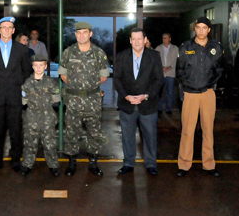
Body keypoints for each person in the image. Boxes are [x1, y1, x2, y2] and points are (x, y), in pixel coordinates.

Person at [58, 21, 110, 176]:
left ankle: (93, 163)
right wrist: (76, 87)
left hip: (93, 100)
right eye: (78, 33)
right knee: (72, 132)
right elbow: (62, 73)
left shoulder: (98, 53)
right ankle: (72, 162)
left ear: (90, 34)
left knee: (94, 132)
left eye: (84, 32)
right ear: (75, 34)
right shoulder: (68, 52)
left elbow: (104, 74)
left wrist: (89, 87)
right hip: (73, 100)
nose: (81, 35)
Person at [0, 16, 33, 172]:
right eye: (3, 27)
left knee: (15, 129)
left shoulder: (21, 49)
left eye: (9, 27)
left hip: (14, 94)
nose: (6, 30)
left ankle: (16, 161)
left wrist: (15, 82)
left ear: (13, 30)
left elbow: (27, 70)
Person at [176, 17, 224, 177]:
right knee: (187, 131)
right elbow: (179, 70)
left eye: (204, 27)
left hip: (208, 94)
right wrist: (187, 84)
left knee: (208, 130)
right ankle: (184, 164)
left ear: (209, 30)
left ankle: (209, 165)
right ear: (194, 29)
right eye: (198, 27)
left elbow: (221, 69)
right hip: (190, 94)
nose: (201, 30)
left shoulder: (216, 47)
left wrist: (210, 84)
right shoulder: (185, 47)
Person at [114, 28, 164, 176]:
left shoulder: (154, 56)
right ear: (130, 40)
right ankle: (128, 163)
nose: (136, 41)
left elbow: (159, 79)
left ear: (145, 40)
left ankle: (151, 164)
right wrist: (125, 96)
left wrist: (146, 95)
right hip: (127, 104)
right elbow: (116, 79)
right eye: (133, 39)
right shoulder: (122, 56)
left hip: (148, 104)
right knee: (127, 136)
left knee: (150, 136)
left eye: (139, 39)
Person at [20, 54, 61, 177]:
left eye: (41, 65)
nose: (38, 68)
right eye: (36, 65)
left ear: (45, 66)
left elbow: (56, 99)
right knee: (30, 143)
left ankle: (53, 165)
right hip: (31, 117)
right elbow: (24, 100)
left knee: (50, 144)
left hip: (47, 117)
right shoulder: (27, 83)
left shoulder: (51, 82)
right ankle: (27, 165)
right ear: (32, 66)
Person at [155, 32, 179, 115]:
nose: (164, 39)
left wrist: (168, 67)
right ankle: (160, 108)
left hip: (170, 73)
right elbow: (155, 59)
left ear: (170, 39)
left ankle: (169, 108)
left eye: (166, 38)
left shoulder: (175, 48)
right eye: (163, 38)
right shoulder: (158, 48)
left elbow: (175, 60)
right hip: (161, 73)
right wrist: (162, 67)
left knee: (170, 92)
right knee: (160, 92)